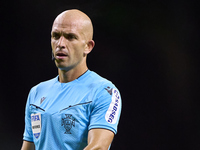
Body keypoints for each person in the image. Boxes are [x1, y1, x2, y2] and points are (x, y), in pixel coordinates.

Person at [21, 9, 122, 150]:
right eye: (56, 36)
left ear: (88, 46)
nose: (60, 43)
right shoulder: (36, 93)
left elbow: (98, 147)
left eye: (70, 37)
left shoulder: (104, 92)